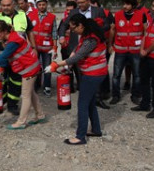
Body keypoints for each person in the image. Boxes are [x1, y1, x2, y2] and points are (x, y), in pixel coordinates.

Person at [46, 14, 108, 145]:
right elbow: (76, 51)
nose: (72, 31)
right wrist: (67, 65)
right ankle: (96, 129)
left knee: (82, 104)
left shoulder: (91, 39)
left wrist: (57, 64)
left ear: (81, 25)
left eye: (73, 28)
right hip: (93, 73)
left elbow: (78, 55)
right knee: (90, 102)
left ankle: (80, 136)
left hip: (93, 74)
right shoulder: (86, 36)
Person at [0, 21, 45, 130]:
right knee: (30, 92)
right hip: (31, 66)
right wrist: (0, 70)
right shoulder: (10, 37)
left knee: (25, 95)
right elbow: (6, 58)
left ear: (5, 31)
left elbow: (2, 58)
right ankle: (40, 115)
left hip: (29, 69)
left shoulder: (13, 41)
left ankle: (21, 122)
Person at [0, 0, 34, 115]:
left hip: (18, 56)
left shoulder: (22, 16)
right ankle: (1, 100)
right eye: (3, 5)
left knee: (15, 80)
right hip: (1, 54)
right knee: (0, 78)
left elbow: (29, 32)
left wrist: (33, 47)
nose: (5, 7)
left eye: (8, 5)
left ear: (14, 4)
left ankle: (12, 104)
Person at [108, 0, 147, 105]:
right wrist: (110, 45)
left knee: (137, 75)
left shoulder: (141, 15)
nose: (125, 6)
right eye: (124, 4)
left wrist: (144, 47)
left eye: (127, 4)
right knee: (116, 75)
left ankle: (135, 95)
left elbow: (146, 32)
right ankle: (115, 95)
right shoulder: (118, 15)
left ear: (133, 5)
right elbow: (112, 30)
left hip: (136, 51)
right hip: (120, 50)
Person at [28, 0, 58, 97]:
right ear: (36, 5)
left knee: (47, 68)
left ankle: (47, 87)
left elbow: (54, 34)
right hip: (35, 48)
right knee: (35, 68)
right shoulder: (31, 16)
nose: (42, 6)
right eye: (40, 4)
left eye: (43, 4)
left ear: (46, 5)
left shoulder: (52, 17)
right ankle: (35, 86)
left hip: (47, 49)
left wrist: (55, 48)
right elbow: (28, 32)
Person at [58, 0, 78, 92]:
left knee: (77, 69)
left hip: (76, 49)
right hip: (65, 48)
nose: (69, 12)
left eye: (71, 10)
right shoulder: (64, 20)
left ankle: (80, 85)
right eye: (67, 10)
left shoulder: (79, 21)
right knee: (67, 68)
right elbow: (60, 30)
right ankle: (70, 87)